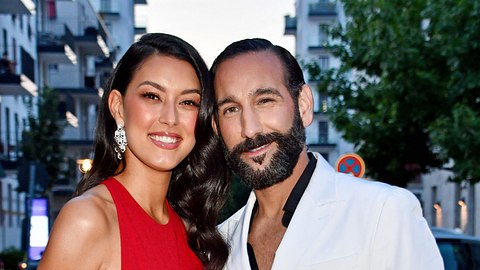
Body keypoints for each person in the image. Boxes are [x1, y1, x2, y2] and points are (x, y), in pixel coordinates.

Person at [208, 38, 444, 270]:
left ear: (303, 105)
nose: (249, 128)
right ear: (217, 128)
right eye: (231, 109)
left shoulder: (383, 214)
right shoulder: (218, 246)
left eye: (265, 100)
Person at [38, 33, 230, 270]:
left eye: (188, 102)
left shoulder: (191, 232)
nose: (170, 118)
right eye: (152, 96)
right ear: (118, 108)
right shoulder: (88, 219)